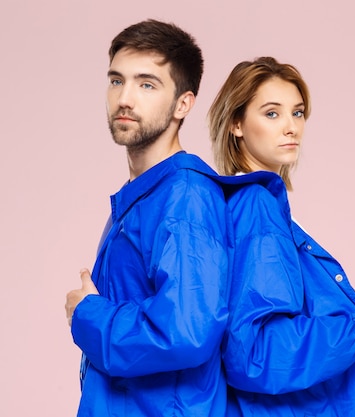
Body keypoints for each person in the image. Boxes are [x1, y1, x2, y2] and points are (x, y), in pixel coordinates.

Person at [208, 56, 355, 416]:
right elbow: (254, 353)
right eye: (271, 113)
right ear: (236, 123)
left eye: (297, 113)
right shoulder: (256, 206)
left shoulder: (252, 205)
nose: (291, 127)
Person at [64, 19, 230, 416]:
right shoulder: (145, 194)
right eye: (116, 81)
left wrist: (88, 314)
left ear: (183, 103)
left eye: (147, 84)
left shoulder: (185, 197)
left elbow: (186, 332)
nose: (125, 99)